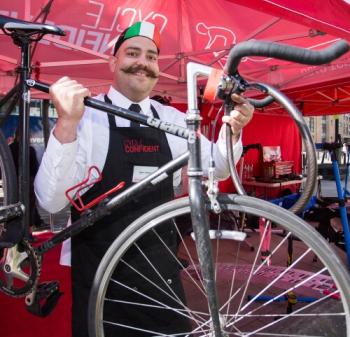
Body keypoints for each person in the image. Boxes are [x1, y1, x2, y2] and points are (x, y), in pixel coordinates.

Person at [34, 21, 254, 337]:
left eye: (151, 57)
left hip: (161, 278)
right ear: (113, 62)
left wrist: (233, 129)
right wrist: (67, 124)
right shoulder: (87, 117)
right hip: (102, 283)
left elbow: (218, 168)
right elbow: (50, 202)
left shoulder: (172, 120)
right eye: (132, 53)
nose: (143, 62)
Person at [9, 128, 43, 237]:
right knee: (28, 207)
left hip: (13, 184)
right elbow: (35, 168)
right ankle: (28, 234)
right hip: (27, 183)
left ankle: (14, 232)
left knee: (13, 207)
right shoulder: (30, 150)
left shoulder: (10, 148)